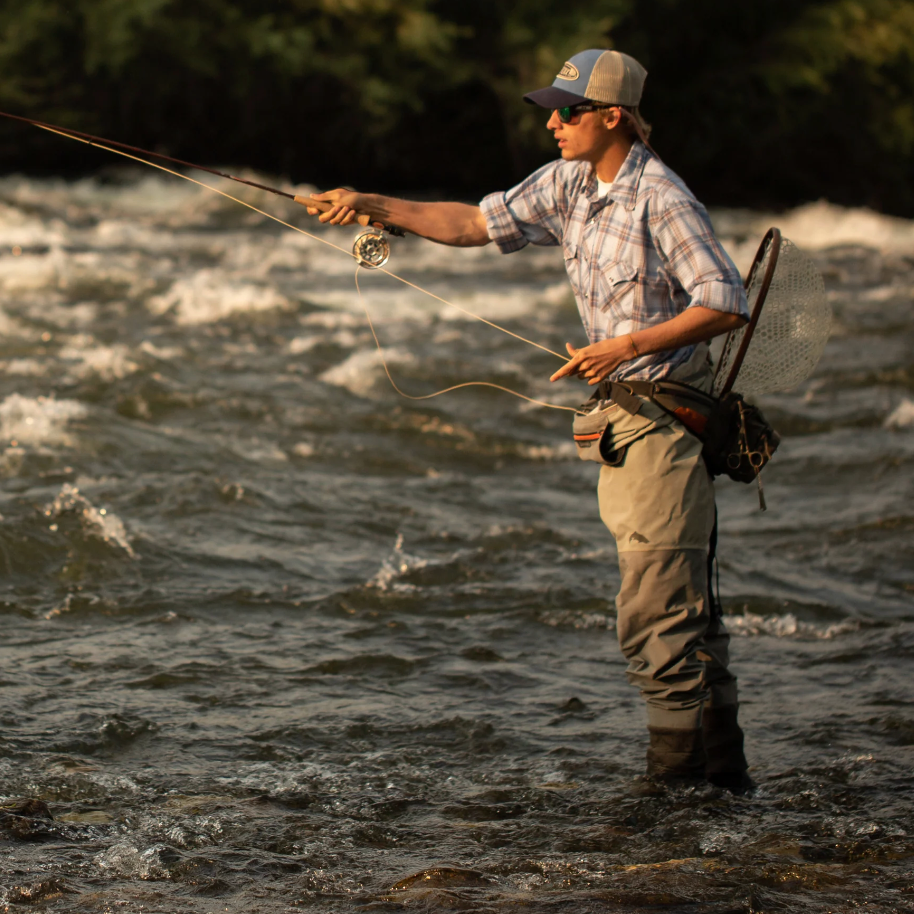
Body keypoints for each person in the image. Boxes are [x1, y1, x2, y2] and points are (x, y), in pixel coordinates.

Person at [305, 49, 752, 792]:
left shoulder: (662, 197)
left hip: (666, 426)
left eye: (569, 111)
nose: (553, 123)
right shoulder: (568, 182)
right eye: (552, 109)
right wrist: (370, 203)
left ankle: (677, 797)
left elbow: (726, 300)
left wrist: (624, 348)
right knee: (682, 610)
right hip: (624, 428)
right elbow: (471, 223)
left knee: (659, 616)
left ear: (614, 116)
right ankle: (724, 788)